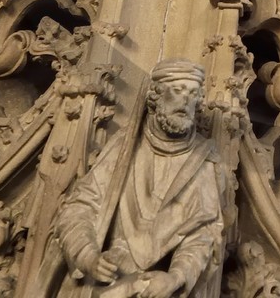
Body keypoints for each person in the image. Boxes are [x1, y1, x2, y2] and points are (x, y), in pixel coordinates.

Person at [54, 60, 228, 298]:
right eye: (178, 91)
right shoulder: (124, 148)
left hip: (164, 283)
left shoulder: (205, 161)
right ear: (155, 98)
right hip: (110, 275)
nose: (186, 101)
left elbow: (204, 234)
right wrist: (88, 255)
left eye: (193, 93)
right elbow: (79, 208)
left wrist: (175, 277)